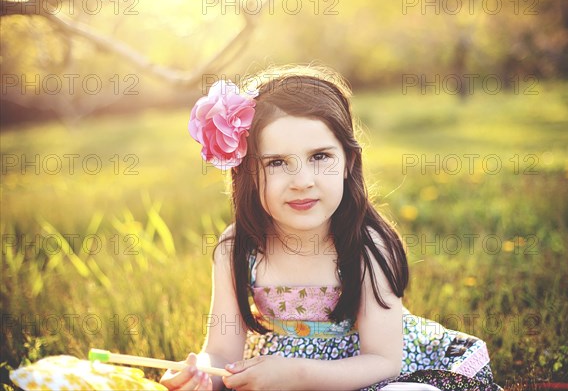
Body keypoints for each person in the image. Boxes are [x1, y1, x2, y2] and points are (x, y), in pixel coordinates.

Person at [160, 65, 502, 391]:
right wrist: (203, 374)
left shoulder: (366, 243)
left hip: (369, 374)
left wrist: (298, 375)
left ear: (347, 162)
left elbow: (384, 361)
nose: (302, 182)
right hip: (283, 378)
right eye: (277, 163)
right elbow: (222, 353)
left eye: (320, 157)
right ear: (247, 172)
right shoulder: (237, 247)